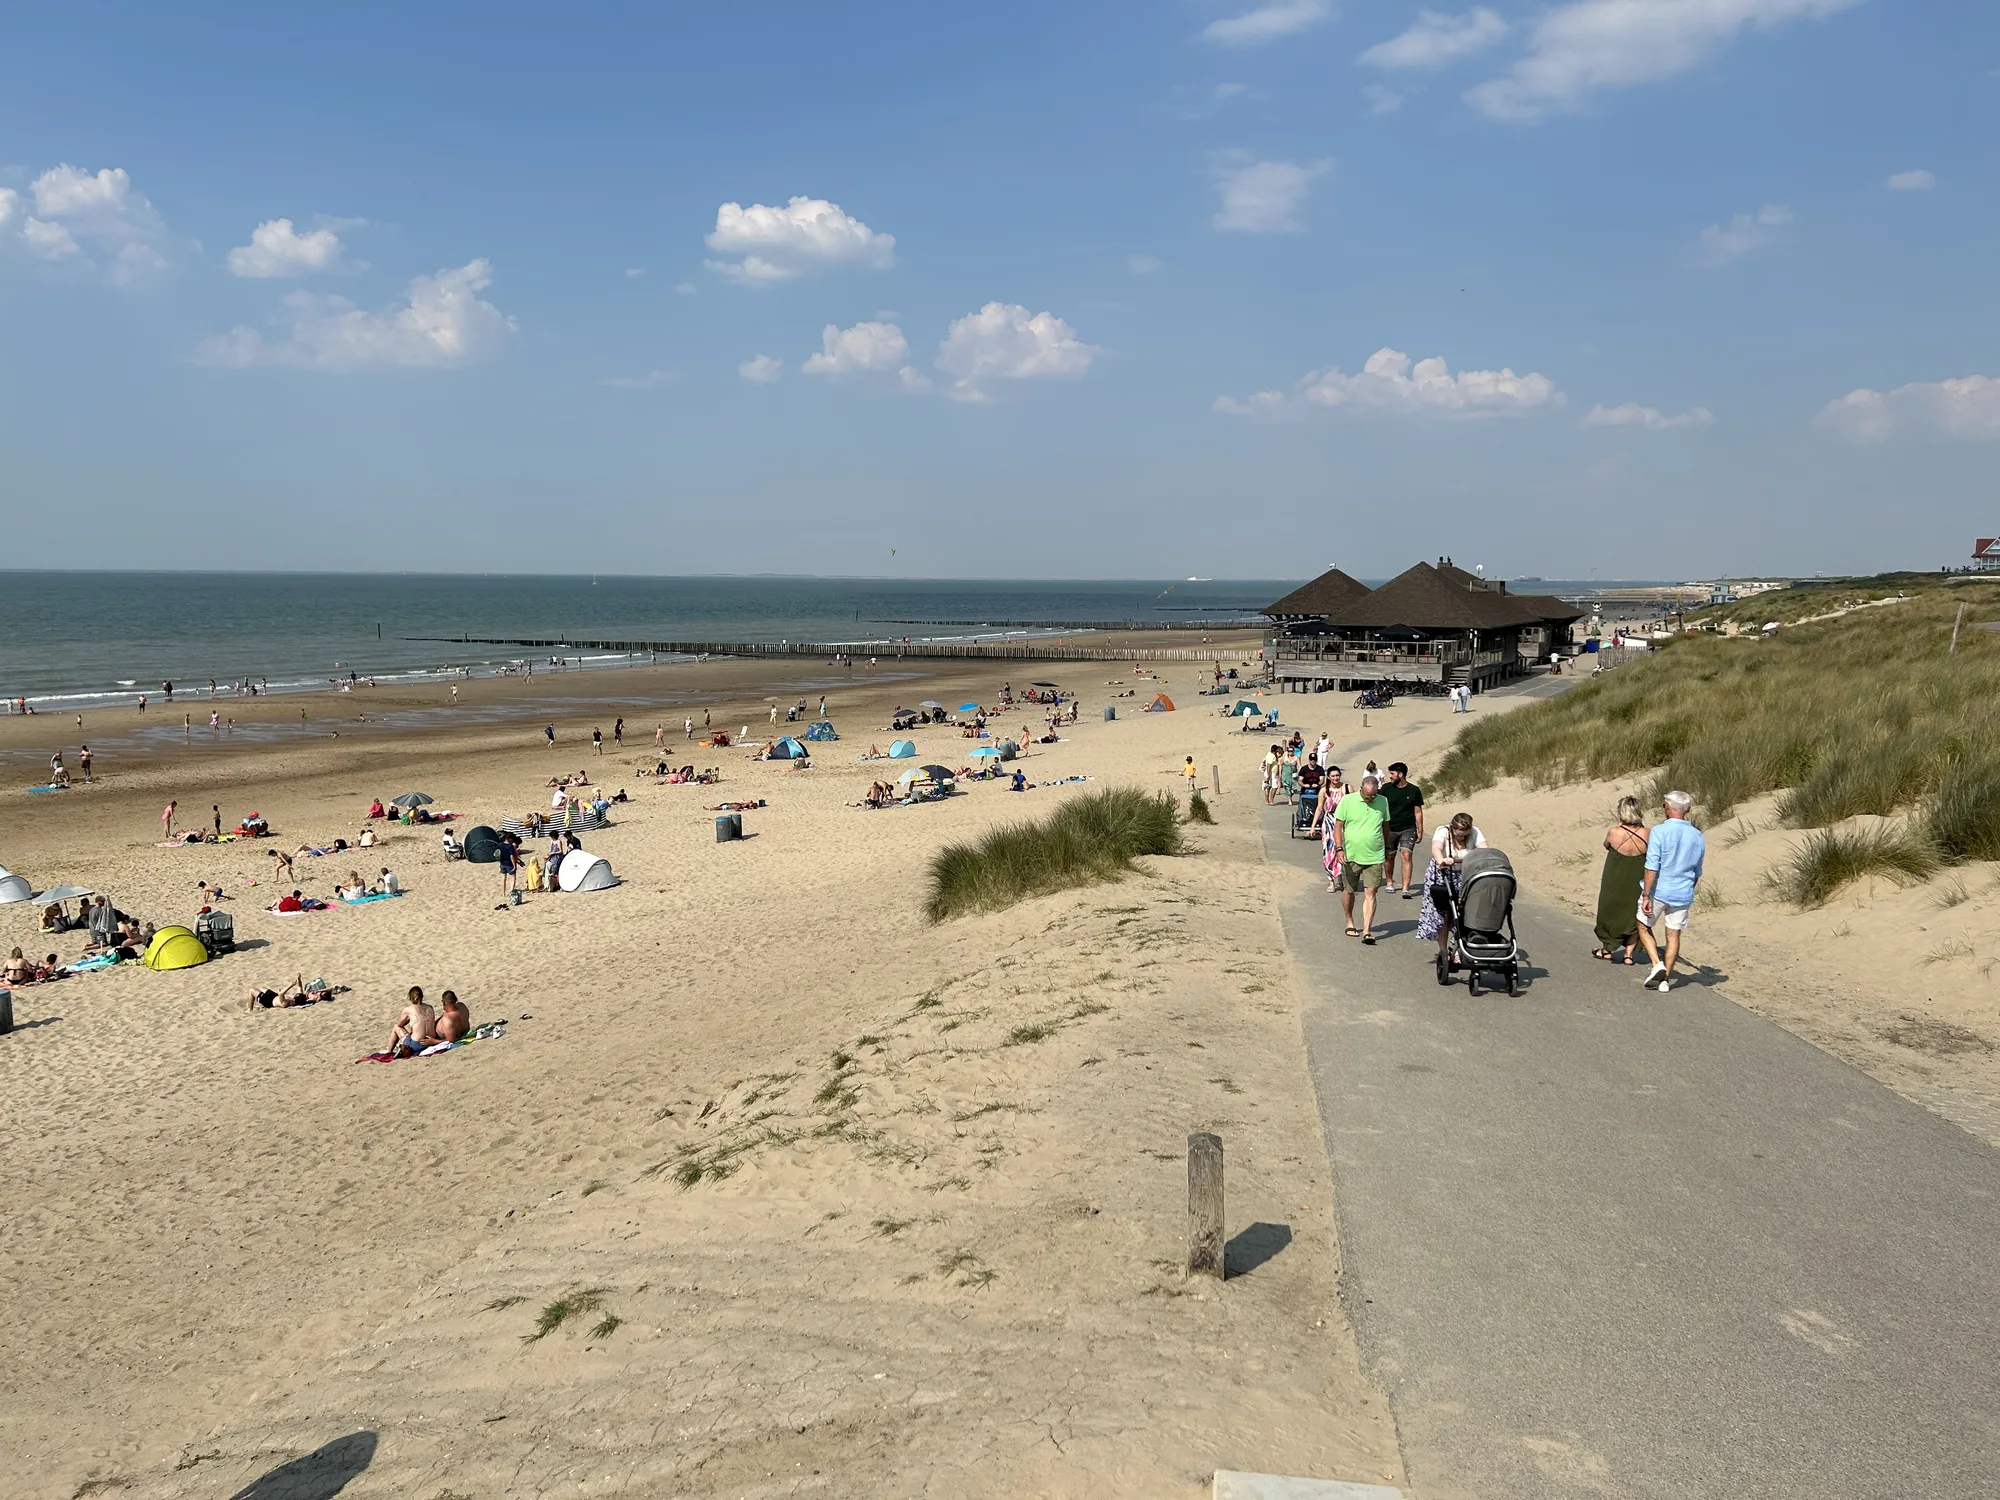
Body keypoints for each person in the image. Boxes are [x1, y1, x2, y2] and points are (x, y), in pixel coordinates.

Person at [1637, 791, 1704, 992]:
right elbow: (1697, 871)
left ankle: (1657, 964)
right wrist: (1688, 888)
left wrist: (1646, 894)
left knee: (1643, 925)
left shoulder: (1660, 831)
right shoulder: (1697, 835)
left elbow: (1652, 866)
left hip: (1660, 889)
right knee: (1673, 935)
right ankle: (1665, 980)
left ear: (1668, 807)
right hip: (1683, 891)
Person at [1418, 812, 1488, 957]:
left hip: (1465, 875)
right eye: (1458, 835)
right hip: (1443, 874)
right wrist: (1442, 860)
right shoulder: (1443, 831)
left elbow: (1484, 850)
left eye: (1465, 835)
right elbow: (1436, 848)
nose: (1461, 838)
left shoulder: (1475, 832)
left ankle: (1457, 948)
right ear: (1452, 828)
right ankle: (1443, 950)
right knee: (1442, 913)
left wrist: (1484, 859)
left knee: (1462, 913)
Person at [1331, 774, 1390, 943]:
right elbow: (1338, 826)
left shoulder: (1383, 801)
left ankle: (1367, 931)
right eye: (1367, 795)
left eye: (1373, 795)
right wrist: (1339, 848)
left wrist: (1387, 847)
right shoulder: (1347, 801)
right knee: (1349, 890)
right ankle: (1349, 921)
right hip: (1351, 854)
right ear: (1361, 789)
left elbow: (1386, 825)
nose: (1370, 798)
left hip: (1375, 854)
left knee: (1370, 891)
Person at [1592, 796, 1650, 964]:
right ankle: (1628, 954)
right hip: (1637, 874)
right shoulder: (1647, 833)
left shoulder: (1614, 832)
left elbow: (1607, 845)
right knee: (1634, 913)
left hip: (1615, 875)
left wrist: (1619, 826)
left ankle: (1608, 948)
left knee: (1609, 909)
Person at [1379, 764, 1426, 899]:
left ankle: (1406, 888)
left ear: (1400, 774)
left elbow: (1418, 811)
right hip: (1389, 828)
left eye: (1392, 773)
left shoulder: (1414, 790)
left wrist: (1420, 829)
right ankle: (1389, 882)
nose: (1390, 776)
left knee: (1406, 855)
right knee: (1389, 856)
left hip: (1408, 828)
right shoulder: (1386, 789)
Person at [388, 986, 438, 1056]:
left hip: (416, 1045)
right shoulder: (430, 1007)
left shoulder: (409, 1009)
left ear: (414, 998)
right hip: (431, 1042)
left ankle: (389, 1051)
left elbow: (400, 1024)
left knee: (396, 1027)